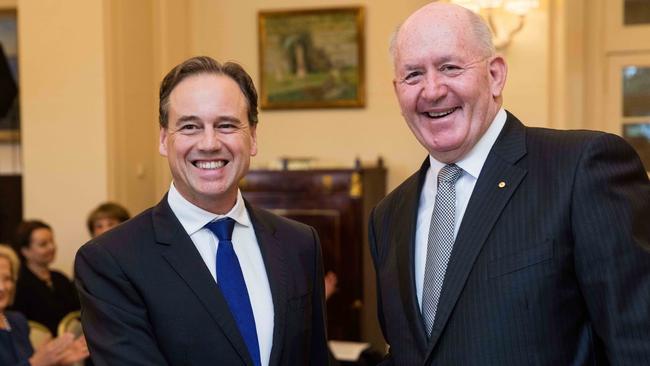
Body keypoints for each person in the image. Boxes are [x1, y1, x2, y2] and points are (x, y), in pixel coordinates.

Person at [369, 3, 650, 365]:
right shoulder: (388, 215)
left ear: (496, 75)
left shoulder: (581, 168)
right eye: (413, 75)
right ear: (397, 92)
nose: (432, 90)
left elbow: (637, 342)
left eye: (449, 67)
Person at [75, 56, 329, 366]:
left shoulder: (299, 244)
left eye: (226, 125)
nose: (209, 143)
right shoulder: (111, 260)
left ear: (253, 137)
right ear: (163, 139)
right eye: (190, 126)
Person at [0, 244, 88, 366]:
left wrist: (57, 362)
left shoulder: (17, 321)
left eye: (7, 279)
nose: (2, 287)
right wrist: (35, 363)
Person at [10, 220, 80, 336]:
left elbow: (76, 313)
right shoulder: (18, 283)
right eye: (43, 244)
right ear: (25, 251)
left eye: (52, 241)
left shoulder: (60, 278)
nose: (51, 247)